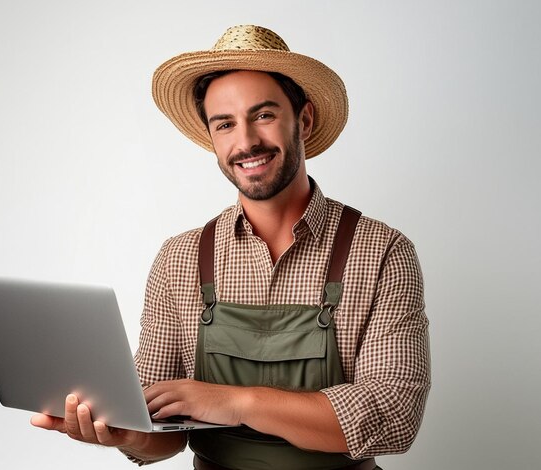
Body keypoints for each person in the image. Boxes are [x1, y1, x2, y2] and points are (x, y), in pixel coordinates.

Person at [31, 25, 430, 470]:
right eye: (225, 124)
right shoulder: (179, 259)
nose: (246, 142)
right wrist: (126, 433)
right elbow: (163, 430)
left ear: (305, 119)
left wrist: (235, 403)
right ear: (212, 138)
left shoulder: (382, 250)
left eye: (263, 115)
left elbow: (393, 416)